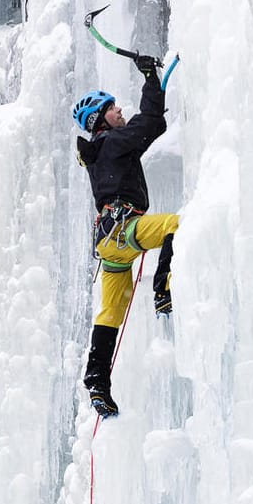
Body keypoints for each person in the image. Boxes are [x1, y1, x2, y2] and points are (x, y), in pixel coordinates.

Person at [72, 55, 177, 418]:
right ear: (100, 119)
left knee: (111, 311)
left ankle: (97, 380)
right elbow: (150, 125)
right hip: (125, 229)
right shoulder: (114, 143)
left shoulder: (99, 152)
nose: (120, 111)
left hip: (108, 244)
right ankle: (163, 291)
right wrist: (150, 77)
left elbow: (141, 135)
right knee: (175, 226)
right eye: (113, 108)